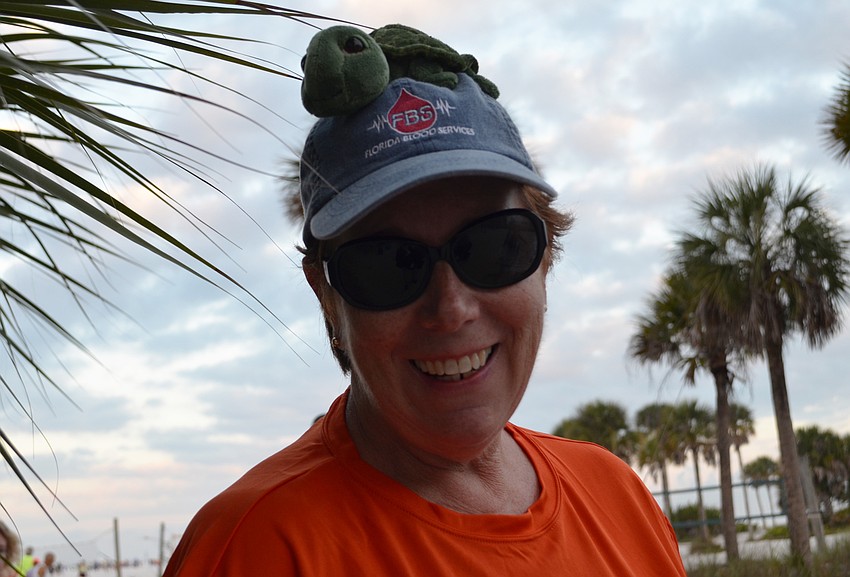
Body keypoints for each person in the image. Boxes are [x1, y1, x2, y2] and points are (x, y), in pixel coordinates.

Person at [164, 24, 688, 576]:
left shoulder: (617, 495)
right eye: (388, 265)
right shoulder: (255, 547)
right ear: (326, 296)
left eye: (494, 247)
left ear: (546, 254)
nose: (452, 307)